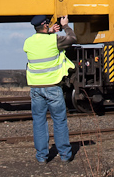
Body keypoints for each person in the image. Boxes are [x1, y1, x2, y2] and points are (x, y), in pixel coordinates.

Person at [24, 14, 76, 164]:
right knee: (59, 121)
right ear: (45, 25)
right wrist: (65, 25)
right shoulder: (54, 40)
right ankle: (65, 155)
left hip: (35, 88)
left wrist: (50, 32)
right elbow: (72, 39)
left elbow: (41, 44)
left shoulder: (28, 42)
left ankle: (41, 157)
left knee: (39, 122)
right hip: (53, 87)